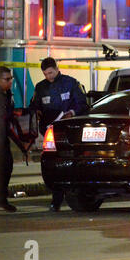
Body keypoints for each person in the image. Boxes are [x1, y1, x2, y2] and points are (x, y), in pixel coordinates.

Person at [29, 57, 89, 211]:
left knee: (72, 166)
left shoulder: (71, 83)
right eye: (45, 74)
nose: (49, 76)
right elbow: (34, 107)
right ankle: (56, 201)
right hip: (51, 133)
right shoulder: (40, 88)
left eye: (50, 72)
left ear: (56, 68)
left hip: (70, 133)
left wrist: (71, 112)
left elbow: (83, 104)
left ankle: (78, 197)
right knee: (55, 167)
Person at [0, 66, 27, 212]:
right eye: (7, 79)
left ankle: (0, 199)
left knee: (5, 168)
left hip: (2, 138)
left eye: (11, 78)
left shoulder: (7, 94)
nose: (10, 81)